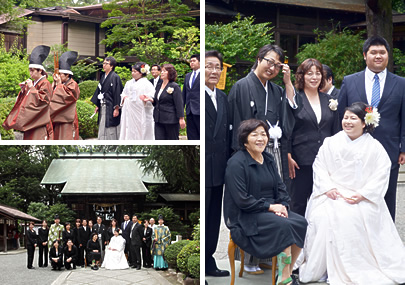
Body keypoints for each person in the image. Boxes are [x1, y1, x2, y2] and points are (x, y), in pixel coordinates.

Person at [297, 102, 405, 284]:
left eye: (353, 118)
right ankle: (322, 268)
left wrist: (363, 194)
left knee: (351, 217)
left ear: (364, 123)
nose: (347, 122)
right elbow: (319, 166)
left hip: (360, 196)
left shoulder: (375, 147)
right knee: (323, 217)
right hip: (331, 193)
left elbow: (382, 173)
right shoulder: (331, 142)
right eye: (345, 117)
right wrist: (328, 188)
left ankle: (355, 266)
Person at [227, 44, 296, 274]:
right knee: (253, 199)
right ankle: (249, 258)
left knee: (272, 195)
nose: (273, 68)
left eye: (278, 65)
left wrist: (287, 84)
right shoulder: (241, 86)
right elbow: (238, 125)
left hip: (270, 150)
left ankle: (267, 255)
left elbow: (288, 118)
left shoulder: (276, 90)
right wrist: (241, 154)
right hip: (248, 153)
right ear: (258, 59)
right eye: (270, 61)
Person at [224, 119, 307, 285]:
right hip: (247, 214)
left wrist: (282, 205)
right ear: (244, 140)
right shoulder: (236, 163)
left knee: (301, 222)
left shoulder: (267, 158)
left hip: (271, 209)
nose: (260, 138)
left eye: (263, 134)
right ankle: (284, 280)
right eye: (254, 134)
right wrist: (271, 207)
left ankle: (287, 272)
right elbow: (242, 200)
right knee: (284, 226)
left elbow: (280, 186)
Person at [338, 35, 405, 221]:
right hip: (354, 150)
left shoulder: (401, 83)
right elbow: (340, 117)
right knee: (355, 195)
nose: (378, 56)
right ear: (364, 55)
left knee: (387, 197)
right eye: (373, 52)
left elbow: (404, 117)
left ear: (388, 56)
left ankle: (385, 241)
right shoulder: (350, 81)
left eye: (382, 52)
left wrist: (403, 148)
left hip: (388, 149)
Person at [288, 59, 339, 216]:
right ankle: (297, 240)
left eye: (318, 73)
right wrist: (288, 155)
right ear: (301, 76)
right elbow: (288, 129)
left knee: (325, 205)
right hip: (301, 161)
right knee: (298, 204)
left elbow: (336, 131)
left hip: (326, 161)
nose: (314, 77)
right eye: (309, 73)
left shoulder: (330, 101)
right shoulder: (295, 100)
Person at [205, 50, 230, 278]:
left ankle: (208, 260)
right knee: (204, 213)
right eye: (209, 66)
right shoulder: (195, 94)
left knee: (214, 216)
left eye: (217, 67)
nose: (213, 71)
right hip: (204, 165)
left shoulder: (223, 97)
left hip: (219, 167)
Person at [2, 45, 53, 140]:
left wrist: (31, 88)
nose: (30, 73)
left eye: (32, 71)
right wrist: (24, 91)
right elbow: (29, 99)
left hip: (38, 122)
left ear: (40, 70)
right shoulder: (35, 83)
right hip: (30, 121)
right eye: (30, 71)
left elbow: (43, 102)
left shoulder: (46, 83)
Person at [141, 64, 186, 140]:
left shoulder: (174, 86)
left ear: (170, 73)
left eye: (164, 71)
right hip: (158, 119)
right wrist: (151, 99)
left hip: (170, 119)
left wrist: (181, 118)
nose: (162, 73)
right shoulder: (159, 85)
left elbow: (179, 104)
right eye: (161, 71)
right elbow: (157, 101)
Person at [119, 62, 155, 140]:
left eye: (135, 71)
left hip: (141, 110)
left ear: (141, 73)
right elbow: (123, 94)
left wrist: (146, 99)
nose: (133, 73)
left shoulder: (147, 84)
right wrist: (125, 98)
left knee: (142, 130)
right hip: (129, 111)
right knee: (129, 129)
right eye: (132, 71)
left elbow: (152, 96)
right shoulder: (128, 83)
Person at [90, 56, 124, 140]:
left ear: (111, 66)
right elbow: (99, 91)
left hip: (111, 106)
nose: (104, 65)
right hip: (103, 105)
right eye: (103, 63)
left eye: (106, 63)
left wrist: (116, 108)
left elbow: (117, 93)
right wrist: (98, 105)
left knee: (111, 126)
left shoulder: (115, 77)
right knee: (102, 124)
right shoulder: (103, 77)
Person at [50, 51, 80, 140]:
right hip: (58, 118)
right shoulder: (62, 84)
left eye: (60, 74)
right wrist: (54, 84)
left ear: (67, 75)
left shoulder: (73, 85)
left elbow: (66, 98)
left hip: (67, 120)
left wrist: (59, 85)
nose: (58, 76)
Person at [182, 54, 200, 140]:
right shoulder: (188, 76)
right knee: (191, 135)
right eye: (191, 61)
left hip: (200, 110)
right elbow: (184, 94)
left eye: (194, 61)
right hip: (189, 110)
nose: (191, 63)